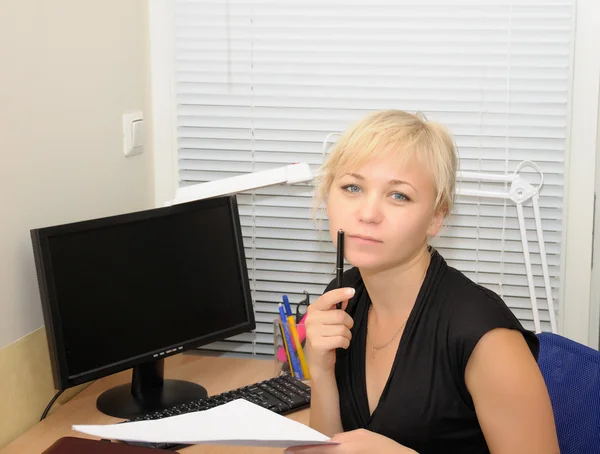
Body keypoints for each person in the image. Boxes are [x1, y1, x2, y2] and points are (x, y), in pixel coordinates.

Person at [286, 111, 559, 454]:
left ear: (436, 217)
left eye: (398, 195)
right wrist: (322, 373)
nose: (368, 213)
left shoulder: (484, 336)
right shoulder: (342, 297)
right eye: (352, 187)